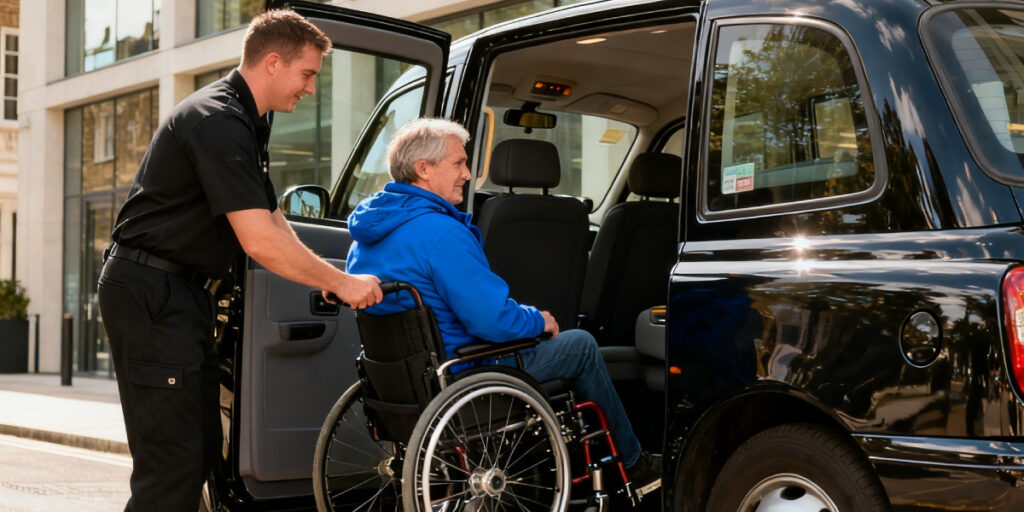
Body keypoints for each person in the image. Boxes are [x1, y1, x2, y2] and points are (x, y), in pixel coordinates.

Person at [96, 10, 382, 511]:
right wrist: (340, 281)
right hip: (153, 293)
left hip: (181, 297)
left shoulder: (248, 121)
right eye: (307, 74)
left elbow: (272, 219)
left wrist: (333, 279)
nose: (311, 89)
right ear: (273, 62)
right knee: (172, 466)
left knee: (205, 449)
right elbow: (259, 241)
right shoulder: (218, 120)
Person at [345, 117, 661, 489]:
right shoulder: (442, 233)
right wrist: (538, 320)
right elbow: (491, 321)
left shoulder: (364, 240)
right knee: (580, 345)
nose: (467, 173)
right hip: (466, 372)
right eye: (458, 163)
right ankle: (634, 462)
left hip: (403, 383)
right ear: (423, 169)